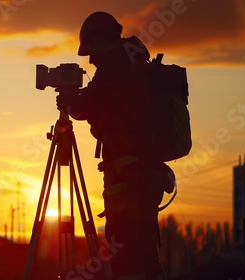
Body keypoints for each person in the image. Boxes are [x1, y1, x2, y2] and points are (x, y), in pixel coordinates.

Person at [57, 11, 170, 280]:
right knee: (145, 259)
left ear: (101, 39)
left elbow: (88, 105)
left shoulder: (117, 64)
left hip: (129, 181)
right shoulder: (131, 61)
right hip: (142, 176)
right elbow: (105, 104)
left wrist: (71, 101)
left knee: (126, 262)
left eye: (91, 51)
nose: (91, 60)